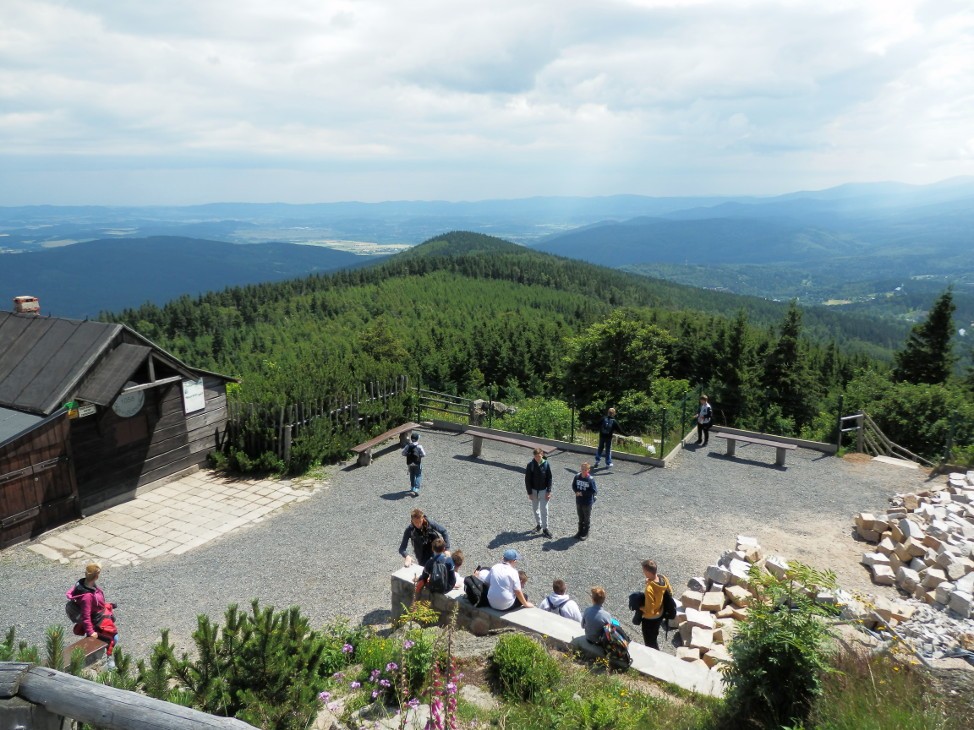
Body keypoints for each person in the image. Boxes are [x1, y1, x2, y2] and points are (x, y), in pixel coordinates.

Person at [66, 562, 119, 670]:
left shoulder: (87, 585)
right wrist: (90, 632)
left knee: (110, 638)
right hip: (96, 622)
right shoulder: (87, 596)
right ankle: (109, 662)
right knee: (112, 638)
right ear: (96, 576)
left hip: (100, 617)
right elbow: (86, 616)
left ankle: (106, 659)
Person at [637, 559, 673, 650]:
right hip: (660, 614)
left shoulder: (649, 589)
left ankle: (655, 656)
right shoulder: (663, 578)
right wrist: (649, 581)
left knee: (650, 643)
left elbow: (650, 611)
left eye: (644, 571)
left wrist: (641, 608)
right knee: (654, 637)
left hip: (650, 619)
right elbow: (670, 592)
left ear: (648, 572)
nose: (643, 572)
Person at [524, 447, 553, 538]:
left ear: (542, 454)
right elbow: (527, 480)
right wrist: (529, 493)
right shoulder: (530, 465)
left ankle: (545, 528)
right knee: (535, 509)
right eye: (536, 456)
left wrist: (548, 491)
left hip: (543, 491)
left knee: (544, 510)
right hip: (533, 491)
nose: (537, 458)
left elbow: (549, 478)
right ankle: (539, 525)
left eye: (539, 456)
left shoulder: (546, 464)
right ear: (534, 456)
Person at [572, 462, 598, 541]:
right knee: (580, 517)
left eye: (585, 470)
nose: (583, 471)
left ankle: (586, 532)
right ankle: (580, 531)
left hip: (587, 502)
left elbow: (593, 491)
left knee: (586, 518)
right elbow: (573, 485)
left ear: (588, 470)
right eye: (582, 469)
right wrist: (576, 491)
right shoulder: (577, 476)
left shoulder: (590, 479)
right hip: (579, 501)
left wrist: (582, 493)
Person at [402, 432, 426, 496]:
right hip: (417, 463)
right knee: (418, 475)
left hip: (410, 463)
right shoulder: (419, 446)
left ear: (411, 438)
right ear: (417, 439)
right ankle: (416, 489)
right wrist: (419, 456)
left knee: (412, 474)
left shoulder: (408, 446)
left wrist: (408, 455)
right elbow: (424, 454)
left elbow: (403, 453)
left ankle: (412, 487)